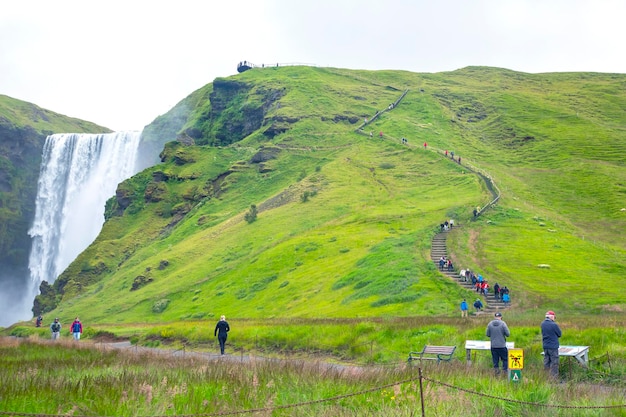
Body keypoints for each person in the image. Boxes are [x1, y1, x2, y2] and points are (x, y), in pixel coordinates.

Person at [541, 310, 562, 379]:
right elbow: (559, 334)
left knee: (546, 361)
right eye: (554, 317)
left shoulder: (542, 324)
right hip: (553, 346)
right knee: (554, 362)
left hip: (545, 345)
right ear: (552, 317)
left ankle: (545, 376)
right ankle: (554, 378)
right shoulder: (554, 325)